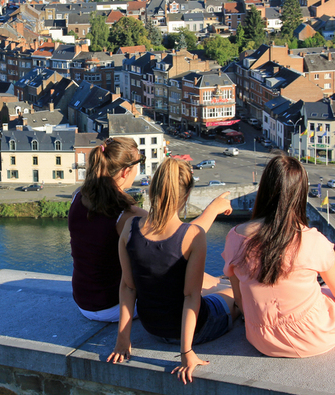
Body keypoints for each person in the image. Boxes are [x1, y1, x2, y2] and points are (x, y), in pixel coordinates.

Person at [107, 157, 239, 384]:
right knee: (235, 293)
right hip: (196, 329)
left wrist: (123, 339)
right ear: (186, 196)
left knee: (214, 284)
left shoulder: (130, 228)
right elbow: (190, 297)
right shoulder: (193, 236)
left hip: (152, 327)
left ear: (152, 188)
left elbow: (128, 287)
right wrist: (186, 352)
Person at [222, 155, 335, 358]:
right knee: (325, 291)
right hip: (312, 338)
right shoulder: (311, 240)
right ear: (299, 194)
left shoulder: (235, 236)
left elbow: (239, 298)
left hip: (260, 337)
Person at [68, 137, 148, 322]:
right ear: (126, 171)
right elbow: (176, 237)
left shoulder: (77, 196)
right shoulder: (128, 214)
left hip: (83, 302)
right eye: (138, 164)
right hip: (113, 306)